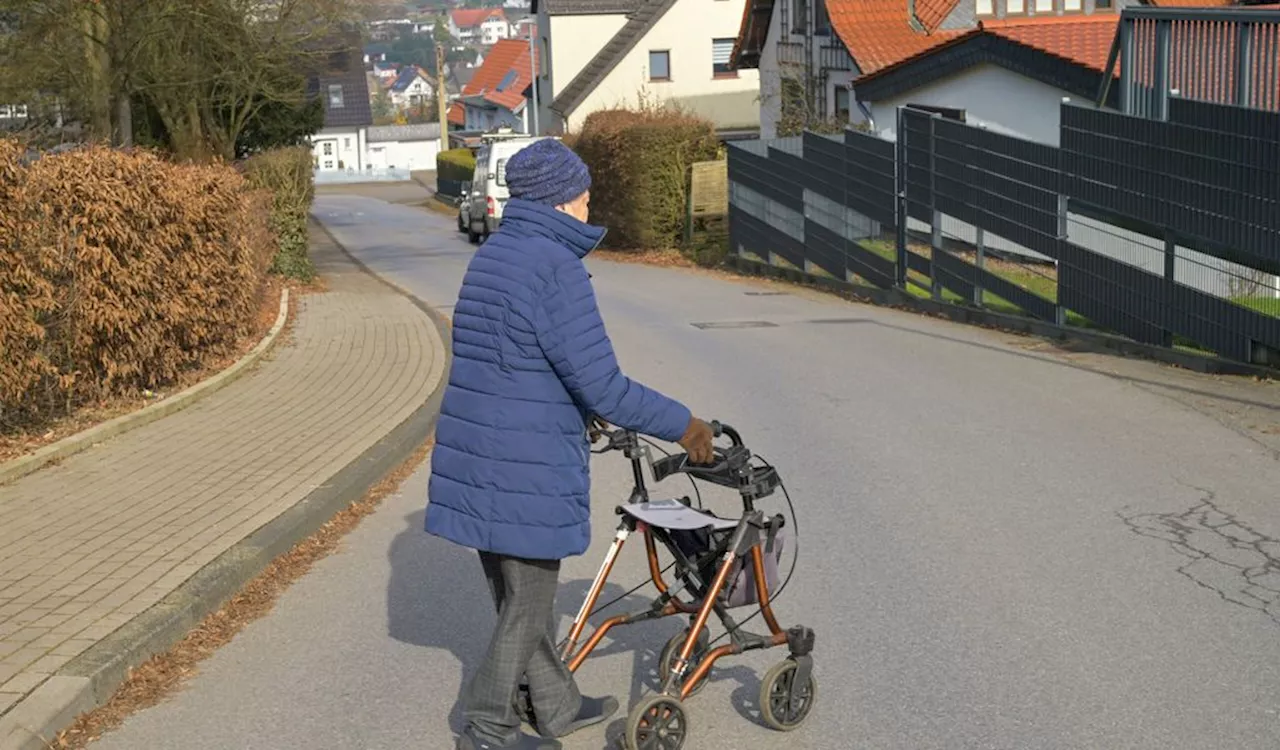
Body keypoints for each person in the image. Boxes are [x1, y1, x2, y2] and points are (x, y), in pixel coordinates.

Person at [424, 137, 716, 750]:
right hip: (523, 464)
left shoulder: (496, 252)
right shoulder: (554, 267)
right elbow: (604, 385)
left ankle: (555, 705)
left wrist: (575, 409)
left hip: (481, 453)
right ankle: (486, 725)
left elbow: (519, 359)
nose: (588, 209)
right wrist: (686, 424)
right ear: (560, 203)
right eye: (583, 199)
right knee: (528, 606)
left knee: (514, 597)